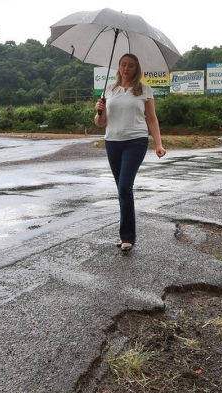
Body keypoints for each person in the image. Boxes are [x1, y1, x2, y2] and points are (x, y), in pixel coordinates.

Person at [94, 53, 166, 254]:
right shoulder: (109, 90)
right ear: (118, 67)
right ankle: (127, 234)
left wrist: (158, 144)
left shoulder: (144, 90)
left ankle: (127, 237)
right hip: (112, 142)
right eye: (123, 65)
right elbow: (100, 124)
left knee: (125, 187)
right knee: (121, 189)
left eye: (131, 66)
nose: (126, 69)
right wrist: (99, 110)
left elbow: (152, 119)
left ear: (137, 69)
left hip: (136, 142)